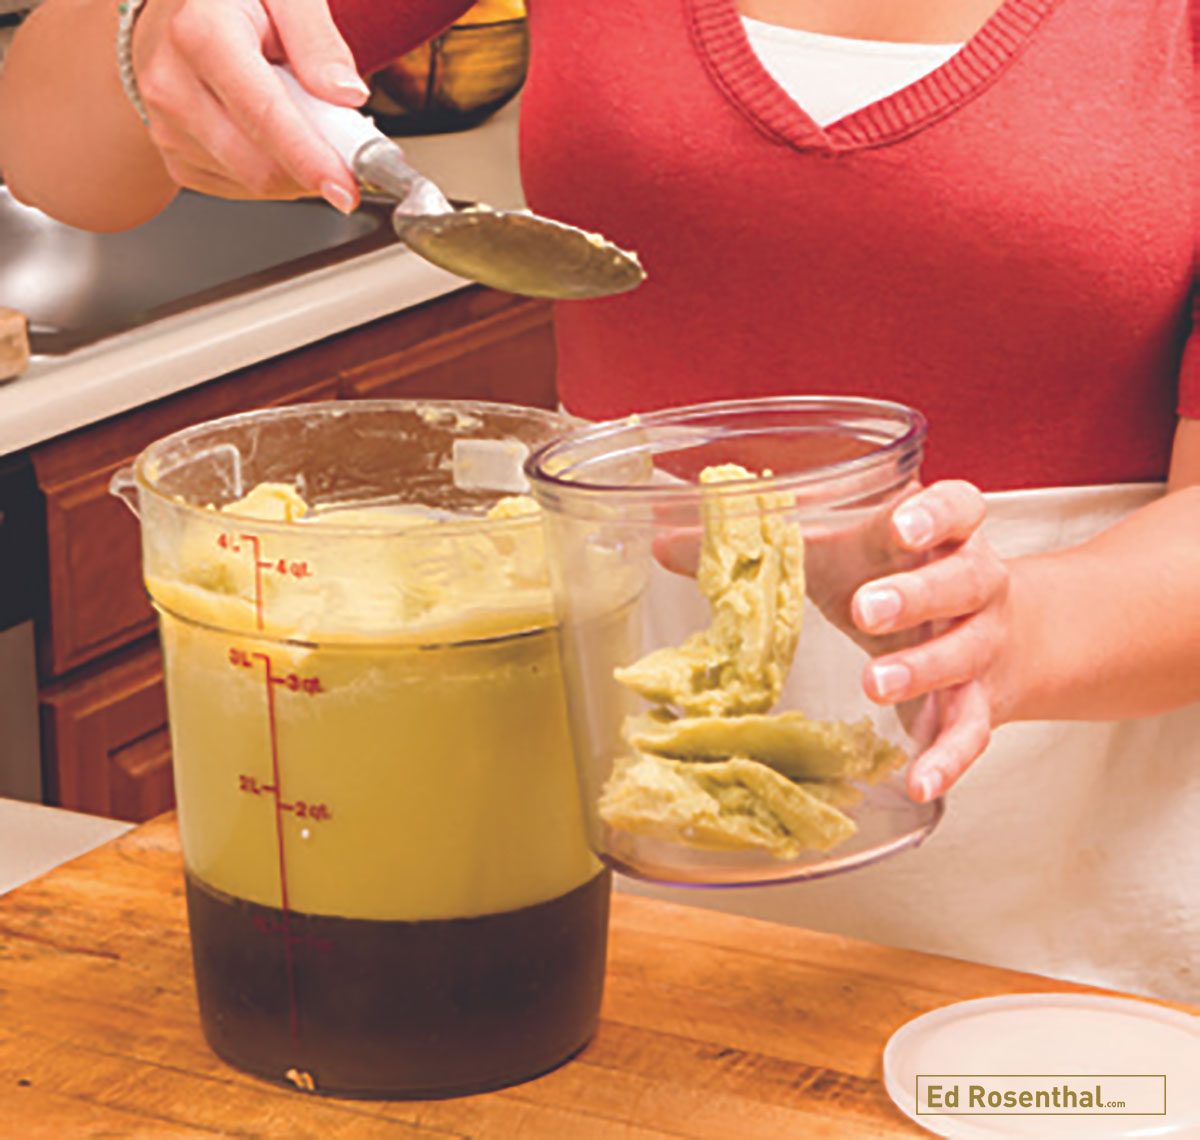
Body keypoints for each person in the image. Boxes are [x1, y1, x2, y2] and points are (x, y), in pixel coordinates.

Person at [2, 0, 1197, 1000]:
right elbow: (50, 145)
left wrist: (1013, 631)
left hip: (1056, 917)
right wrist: (150, 28)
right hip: (595, 901)